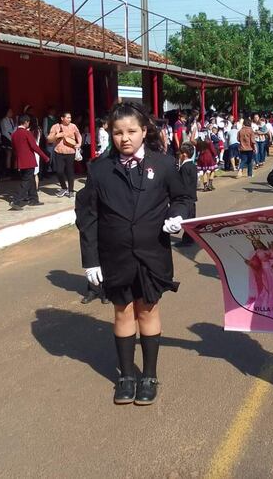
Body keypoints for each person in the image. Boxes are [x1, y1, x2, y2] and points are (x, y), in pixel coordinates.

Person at [76, 102, 193, 406]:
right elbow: (87, 215)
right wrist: (90, 260)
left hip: (152, 253)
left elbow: (182, 198)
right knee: (122, 312)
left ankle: (150, 375)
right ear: (109, 134)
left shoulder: (165, 164)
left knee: (148, 311)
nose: (124, 138)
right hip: (114, 255)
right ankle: (127, 375)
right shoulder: (99, 169)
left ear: (144, 131)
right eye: (117, 132)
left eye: (131, 131)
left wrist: (178, 216)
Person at [10, 115, 50, 210]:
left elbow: (14, 149)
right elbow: (34, 147)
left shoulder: (14, 134)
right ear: (26, 122)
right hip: (29, 161)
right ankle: (16, 200)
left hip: (20, 161)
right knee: (26, 181)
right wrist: (45, 157)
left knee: (31, 180)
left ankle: (34, 199)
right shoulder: (27, 133)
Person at [47, 112, 82, 198]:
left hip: (70, 152)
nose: (69, 119)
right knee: (59, 171)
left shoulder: (73, 126)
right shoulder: (56, 126)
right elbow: (49, 139)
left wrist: (79, 143)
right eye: (68, 117)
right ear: (62, 118)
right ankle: (63, 187)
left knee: (70, 172)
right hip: (59, 152)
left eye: (70, 118)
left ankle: (71, 190)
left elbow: (79, 135)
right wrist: (57, 135)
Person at [177, 142, 197, 246]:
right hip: (192, 196)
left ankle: (188, 240)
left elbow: (183, 183)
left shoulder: (184, 168)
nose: (178, 156)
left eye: (179, 154)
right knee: (191, 218)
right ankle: (189, 238)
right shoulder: (193, 166)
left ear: (184, 154)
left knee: (187, 220)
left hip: (186, 197)